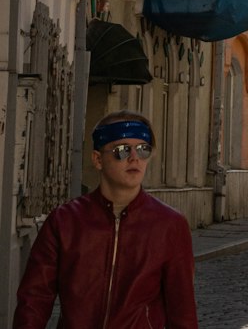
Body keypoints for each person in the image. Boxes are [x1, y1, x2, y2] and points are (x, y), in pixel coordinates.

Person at [14, 109, 199, 329]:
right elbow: (34, 299)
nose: (134, 158)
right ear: (98, 159)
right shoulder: (65, 221)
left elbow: (182, 309)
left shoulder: (169, 224)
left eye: (143, 149)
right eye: (121, 150)